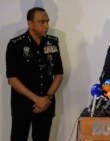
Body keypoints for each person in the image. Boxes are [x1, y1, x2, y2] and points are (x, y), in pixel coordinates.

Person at [5, 7, 63, 141]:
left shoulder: (52, 43)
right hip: (23, 105)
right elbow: (12, 79)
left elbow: (59, 74)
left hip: (46, 105)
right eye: (41, 22)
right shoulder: (16, 45)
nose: (46, 26)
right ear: (30, 23)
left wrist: (46, 98)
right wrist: (37, 100)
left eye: (47, 22)